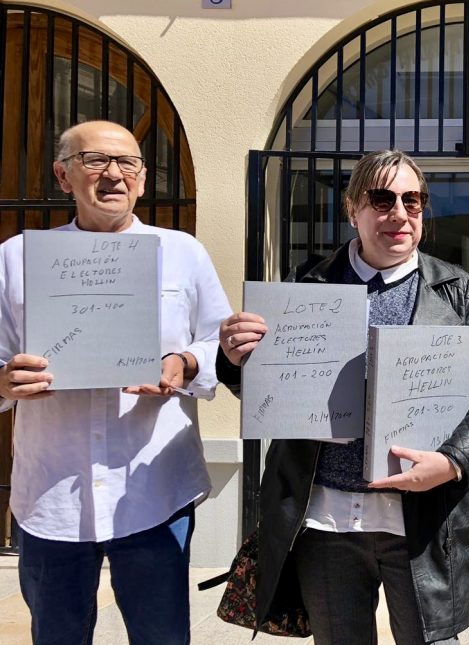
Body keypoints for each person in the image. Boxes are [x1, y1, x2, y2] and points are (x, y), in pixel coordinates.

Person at [216, 149, 469, 644]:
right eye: (382, 200)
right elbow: (265, 393)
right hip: (327, 522)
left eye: (412, 200)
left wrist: (453, 461)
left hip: (422, 521)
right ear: (352, 208)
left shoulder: (456, 290)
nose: (399, 213)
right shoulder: (306, 285)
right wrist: (234, 358)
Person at [0, 120, 231, 644]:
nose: (113, 174)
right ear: (63, 176)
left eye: (127, 162)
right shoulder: (17, 257)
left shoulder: (182, 252)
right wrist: (7, 381)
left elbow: (218, 342)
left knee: (162, 638)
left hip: (155, 491)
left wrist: (185, 364)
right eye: (95, 160)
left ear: (143, 179)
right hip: (52, 496)